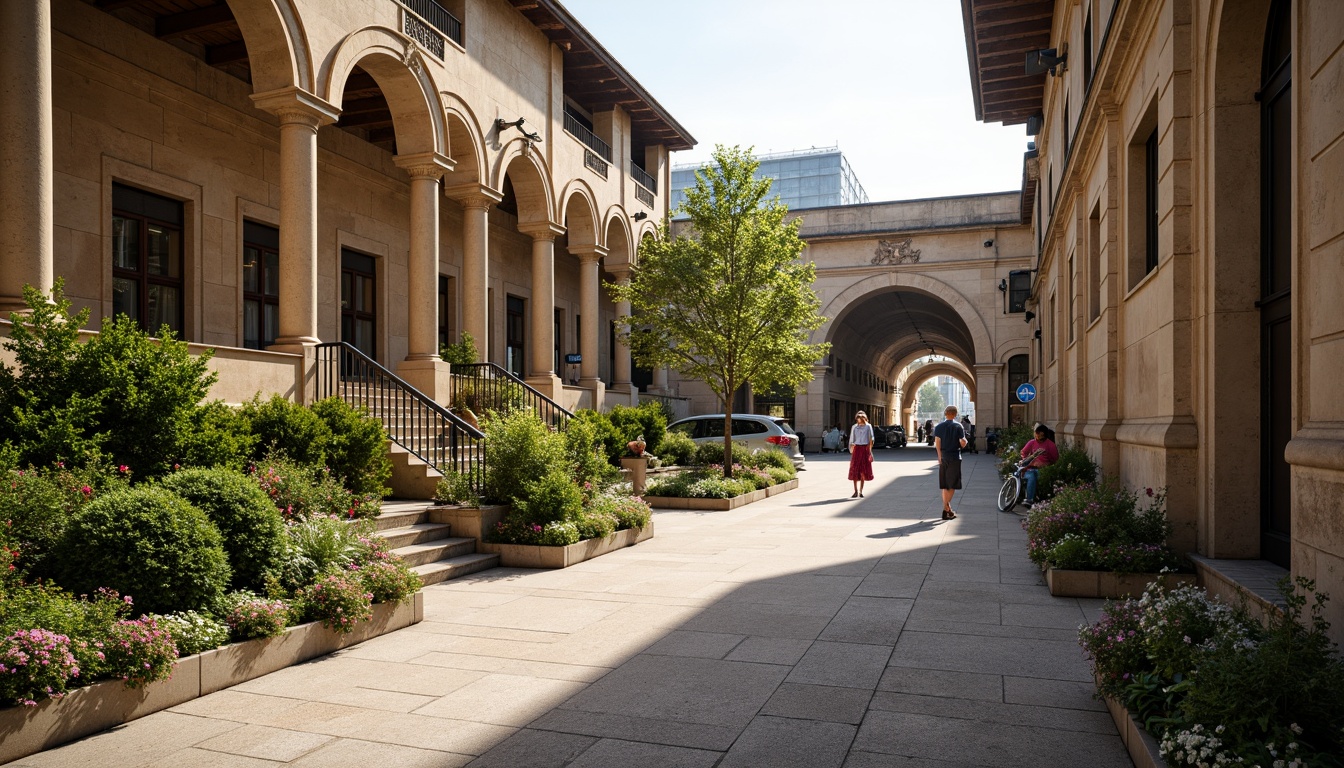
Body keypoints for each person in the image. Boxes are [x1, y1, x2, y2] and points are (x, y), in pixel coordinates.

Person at [932, 405, 967, 519]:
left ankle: (947, 509)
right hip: (955, 456)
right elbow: (962, 442)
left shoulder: (939, 427)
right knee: (952, 485)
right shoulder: (958, 426)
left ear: (945, 413)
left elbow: (937, 443)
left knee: (945, 484)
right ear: (955, 414)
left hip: (944, 457)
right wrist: (964, 442)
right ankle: (946, 508)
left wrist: (939, 457)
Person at [1020, 423, 1059, 504]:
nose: (1036, 435)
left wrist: (1046, 464)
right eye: (1035, 433)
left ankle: (1042, 498)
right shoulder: (1032, 442)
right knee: (1031, 477)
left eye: (1038, 433)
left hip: (1043, 469)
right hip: (1030, 468)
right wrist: (1025, 460)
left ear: (1043, 434)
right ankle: (1029, 499)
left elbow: (1054, 459)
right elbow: (1024, 452)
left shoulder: (1050, 445)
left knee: (1040, 476)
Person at [848, 411, 875, 498]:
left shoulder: (868, 426)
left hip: (864, 449)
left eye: (859, 419)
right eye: (857, 419)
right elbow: (852, 438)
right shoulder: (854, 427)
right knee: (855, 470)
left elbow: (871, 438)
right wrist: (851, 446)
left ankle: (861, 491)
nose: (858, 421)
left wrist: (870, 450)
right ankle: (855, 491)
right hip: (857, 449)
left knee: (863, 470)